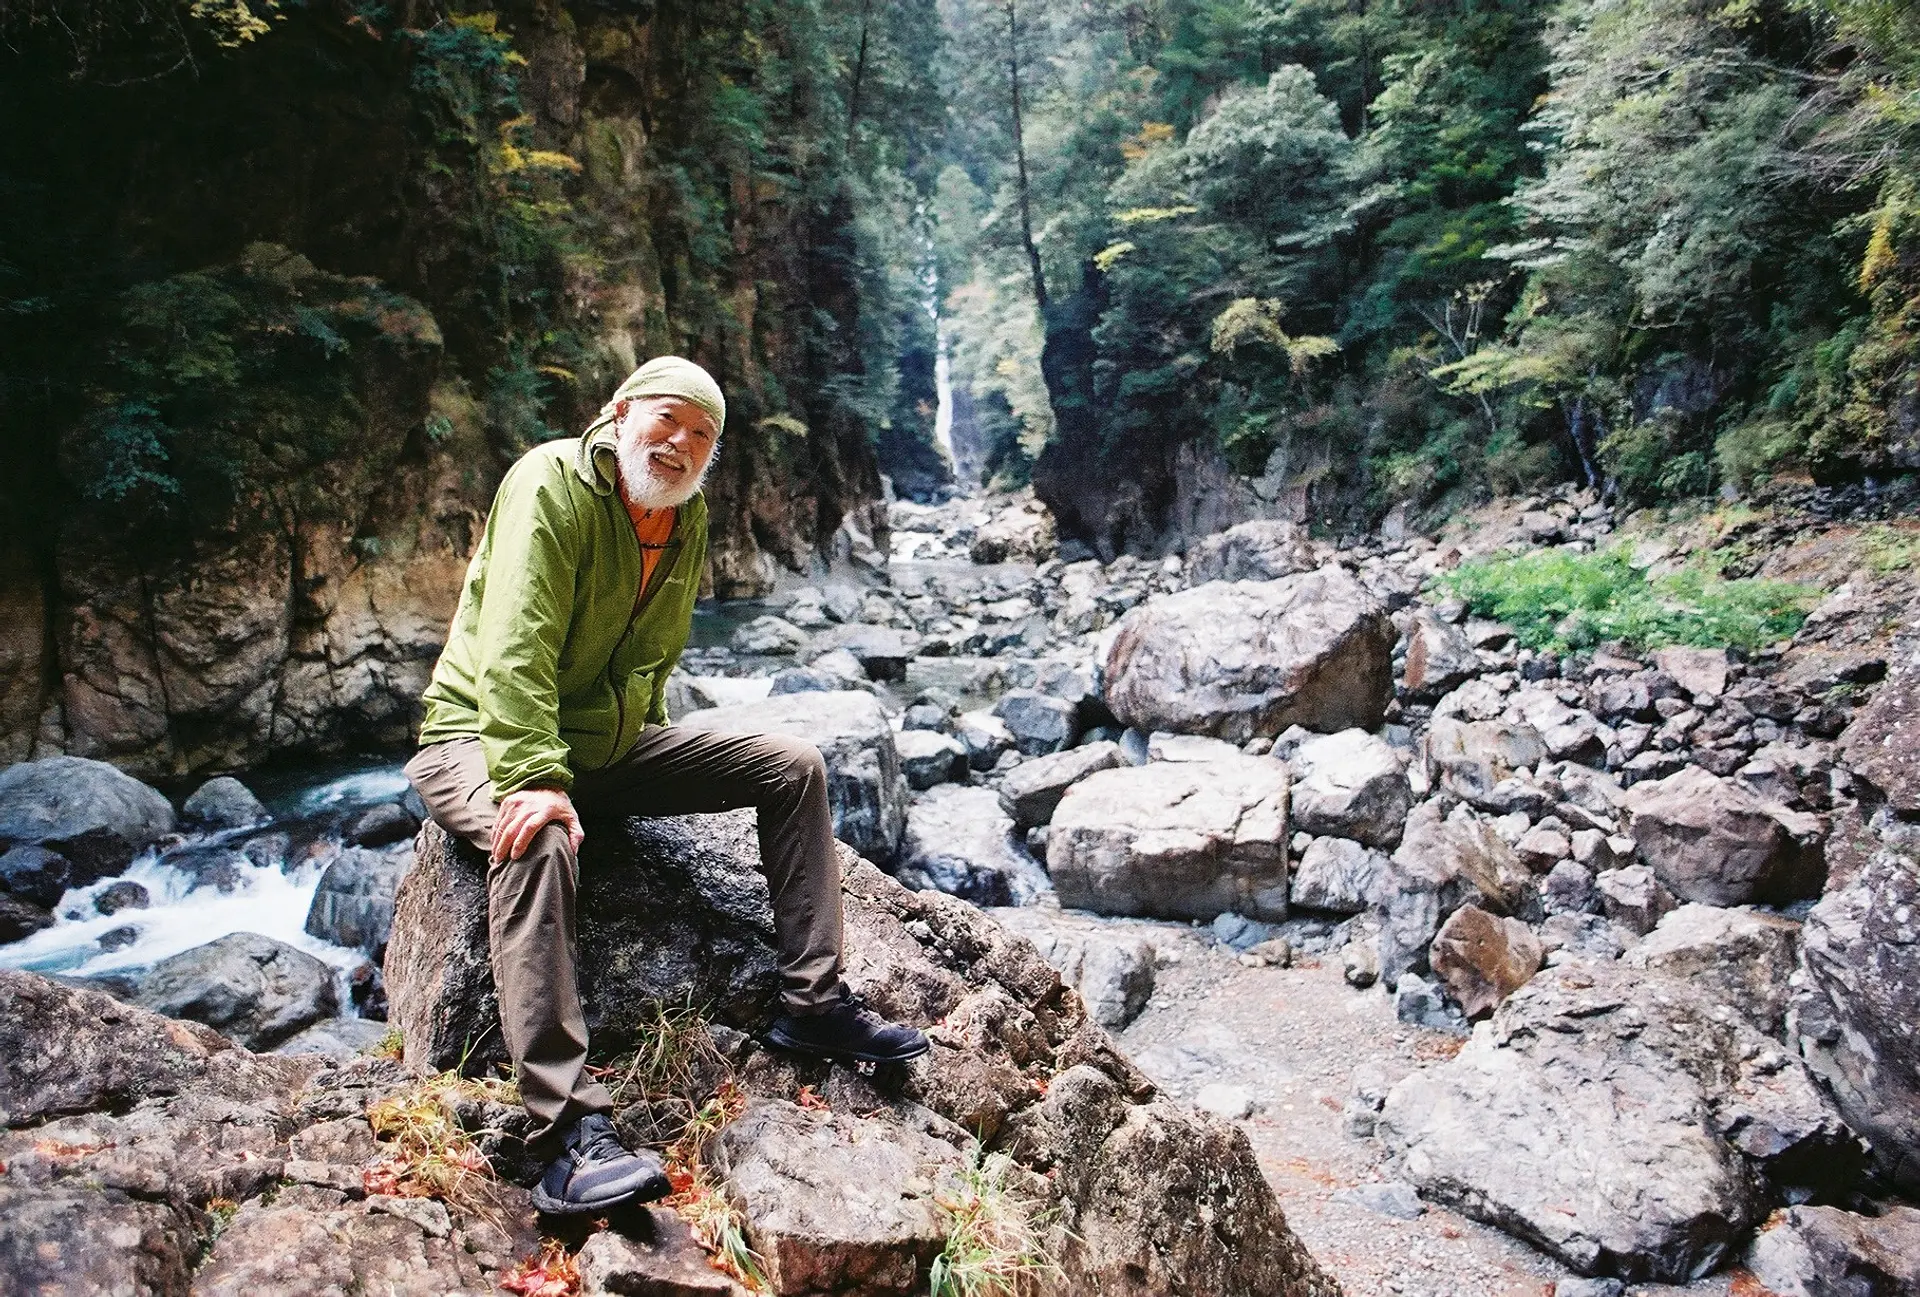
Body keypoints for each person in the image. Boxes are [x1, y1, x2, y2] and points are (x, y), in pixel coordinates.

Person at [404, 356, 928, 1216]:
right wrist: (535, 777)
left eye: (701, 434)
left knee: (793, 764)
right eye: (667, 419)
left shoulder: (684, 517)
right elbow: (513, 647)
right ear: (620, 414)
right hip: (478, 736)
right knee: (536, 833)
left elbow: (656, 651)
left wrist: (647, 744)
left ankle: (814, 1004)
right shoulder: (549, 484)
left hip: (608, 748)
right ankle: (564, 1132)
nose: (680, 442)